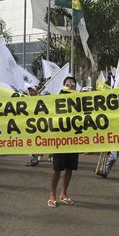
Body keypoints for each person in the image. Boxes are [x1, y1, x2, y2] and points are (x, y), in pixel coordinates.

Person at [48, 76, 79, 207]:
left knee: (70, 168)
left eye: (73, 84)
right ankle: (52, 195)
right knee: (57, 168)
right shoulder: (58, 98)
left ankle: (64, 193)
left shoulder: (80, 99)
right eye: (68, 83)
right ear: (63, 85)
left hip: (74, 139)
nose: (70, 85)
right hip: (60, 139)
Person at [26, 85, 40, 167]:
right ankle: (34, 159)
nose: (30, 92)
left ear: (36, 91)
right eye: (29, 91)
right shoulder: (26, 99)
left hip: (38, 126)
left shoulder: (41, 99)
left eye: (32, 90)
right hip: (30, 125)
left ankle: (35, 159)